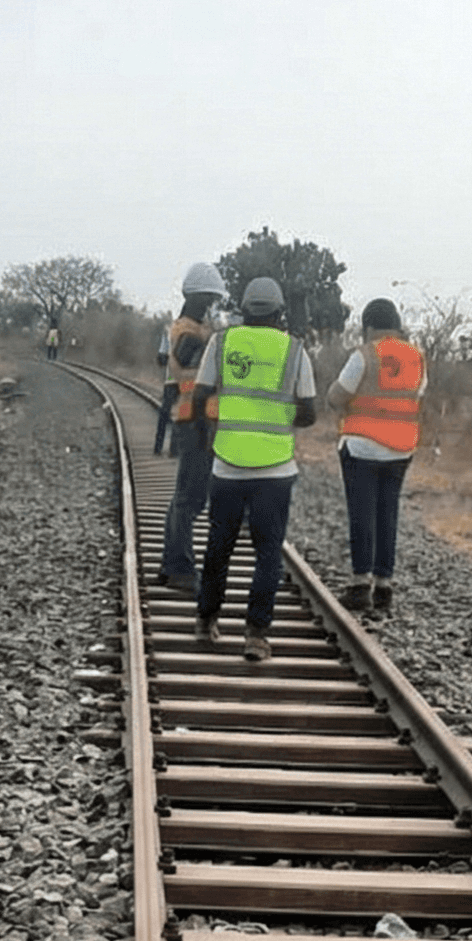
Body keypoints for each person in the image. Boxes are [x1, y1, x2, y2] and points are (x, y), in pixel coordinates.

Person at [190, 276, 316, 662]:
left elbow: (199, 398)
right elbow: (309, 413)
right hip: (276, 471)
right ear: (280, 313)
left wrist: (212, 434)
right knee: (267, 554)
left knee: (218, 548)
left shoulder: (222, 342)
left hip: (227, 465)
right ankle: (257, 636)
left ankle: (206, 619)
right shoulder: (295, 350)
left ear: (243, 309)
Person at [328, 298, 426, 614]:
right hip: (401, 447)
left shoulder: (365, 354)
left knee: (362, 513)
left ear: (368, 327)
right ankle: (384, 588)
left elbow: (336, 395)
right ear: (397, 325)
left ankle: (360, 585)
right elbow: (418, 393)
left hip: (362, 446)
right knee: (388, 513)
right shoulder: (416, 358)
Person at [153, 262, 229, 592]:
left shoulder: (190, 327)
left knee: (186, 497)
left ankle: (171, 564)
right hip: (196, 420)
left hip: (194, 418)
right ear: (200, 298)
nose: (215, 306)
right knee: (191, 498)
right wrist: (216, 339)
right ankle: (181, 568)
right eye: (212, 299)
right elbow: (188, 358)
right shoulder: (188, 330)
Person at [152, 321, 176, 456]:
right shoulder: (200, 330)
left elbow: (161, 357)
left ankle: (158, 447)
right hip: (189, 382)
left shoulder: (169, 329)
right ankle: (175, 449)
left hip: (171, 379)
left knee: (164, 413)